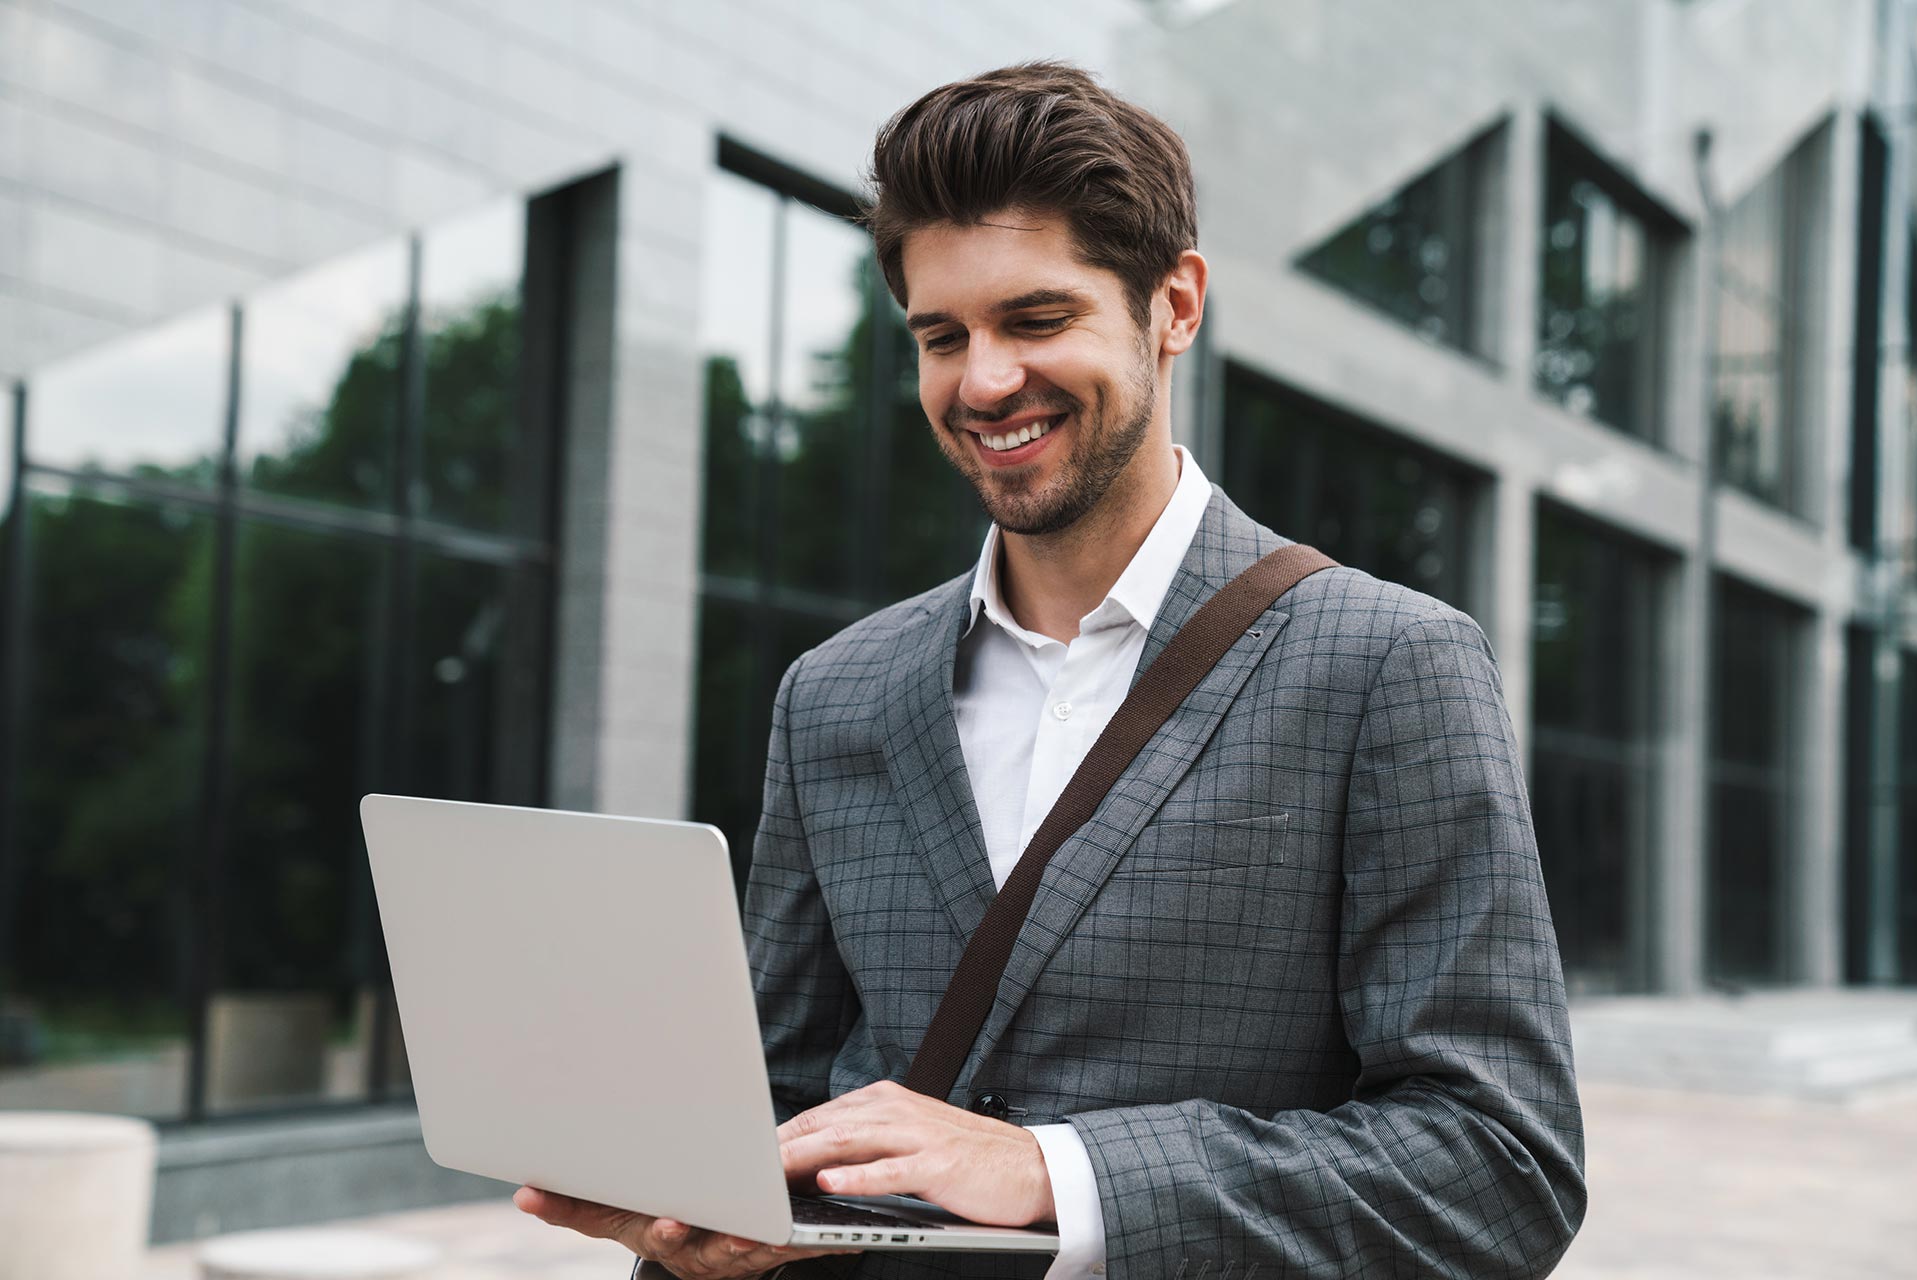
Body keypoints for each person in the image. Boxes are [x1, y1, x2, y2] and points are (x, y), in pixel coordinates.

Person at [517, 61, 1586, 1279]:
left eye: (1036, 319)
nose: (981, 382)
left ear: (1174, 304)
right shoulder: (835, 692)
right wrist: (689, 1205)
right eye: (941, 336)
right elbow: (790, 1101)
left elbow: (1502, 1165)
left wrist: (1055, 1172)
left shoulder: (1389, 664)